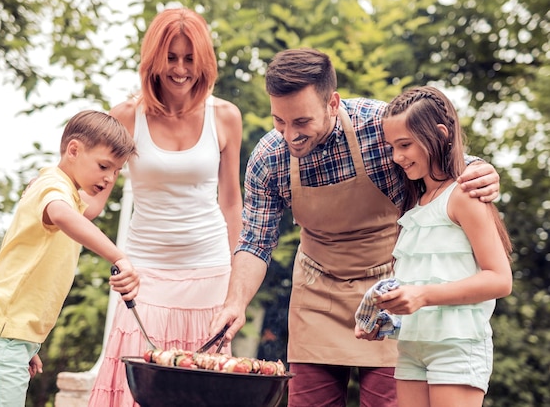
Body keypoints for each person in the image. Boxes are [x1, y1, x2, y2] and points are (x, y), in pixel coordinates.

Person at [209, 48, 501, 407]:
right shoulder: (269, 158)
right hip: (316, 293)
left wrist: (481, 169)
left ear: (332, 103)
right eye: (279, 122)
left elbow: (440, 158)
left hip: (390, 292)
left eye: (301, 122)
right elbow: (255, 241)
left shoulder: (379, 127)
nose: (290, 135)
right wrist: (235, 302)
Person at [88, 7, 243, 406]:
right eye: (170, 57)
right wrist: (52, 193)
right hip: (145, 275)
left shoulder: (224, 117)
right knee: (136, 388)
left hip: (210, 273)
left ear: (203, 60)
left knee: (201, 391)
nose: (179, 69)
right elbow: (93, 197)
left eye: (189, 58)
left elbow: (230, 202)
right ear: (154, 60)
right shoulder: (125, 115)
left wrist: (235, 290)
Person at [0, 110, 140, 407]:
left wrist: (25, 344)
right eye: (104, 166)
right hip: (1, 336)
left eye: (117, 172)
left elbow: (91, 208)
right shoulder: (52, 186)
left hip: (8, 335)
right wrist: (119, 256)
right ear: (73, 150)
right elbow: (60, 214)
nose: (109, 177)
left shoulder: (68, 192)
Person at [355, 86, 512, 407]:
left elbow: (499, 279)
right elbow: (424, 281)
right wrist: (386, 314)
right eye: (392, 147)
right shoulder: (415, 204)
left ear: (440, 135)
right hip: (413, 346)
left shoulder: (464, 195)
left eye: (405, 145)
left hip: (457, 347)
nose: (397, 157)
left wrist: (422, 295)